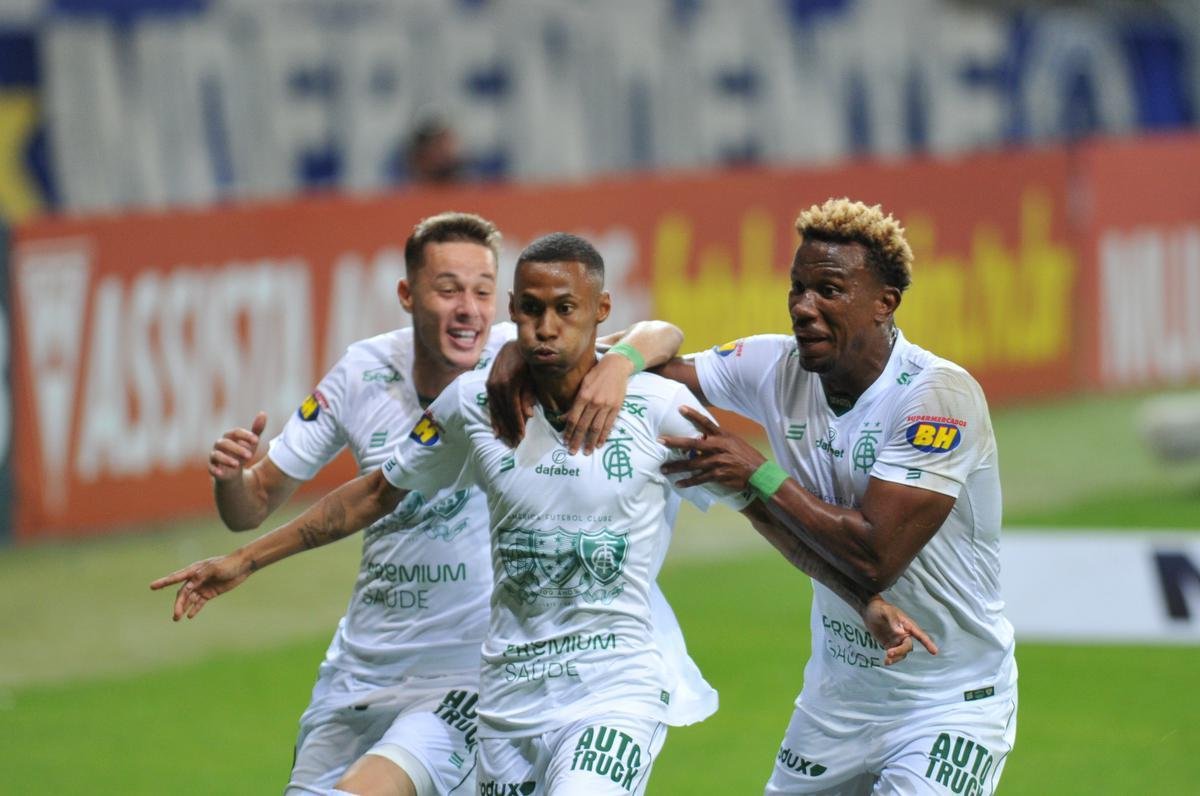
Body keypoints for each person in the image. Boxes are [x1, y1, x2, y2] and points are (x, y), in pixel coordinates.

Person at [154, 232, 930, 795]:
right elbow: (374, 494)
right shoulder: (476, 403)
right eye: (530, 312)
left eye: (565, 310)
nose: (545, 327)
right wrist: (244, 561)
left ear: (601, 314)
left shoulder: (657, 408)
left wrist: (862, 600)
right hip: (510, 699)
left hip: (617, 690)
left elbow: (764, 514)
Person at [175, 212, 677, 796]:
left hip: (464, 675)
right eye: (448, 289)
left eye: (482, 291)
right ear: (408, 295)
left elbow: (655, 333)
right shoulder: (365, 372)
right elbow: (274, 501)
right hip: (358, 668)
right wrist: (233, 496)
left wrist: (622, 362)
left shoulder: (527, 353)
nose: (468, 308)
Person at [655, 198, 1017, 794]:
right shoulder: (775, 364)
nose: (804, 307)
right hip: (838, 702)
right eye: (797, 288)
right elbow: (651, 372)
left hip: (949, 701)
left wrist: (759, 476)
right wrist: (625, 353)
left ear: (884, 304)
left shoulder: (938, 398)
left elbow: (874, 556)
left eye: (829, 290)